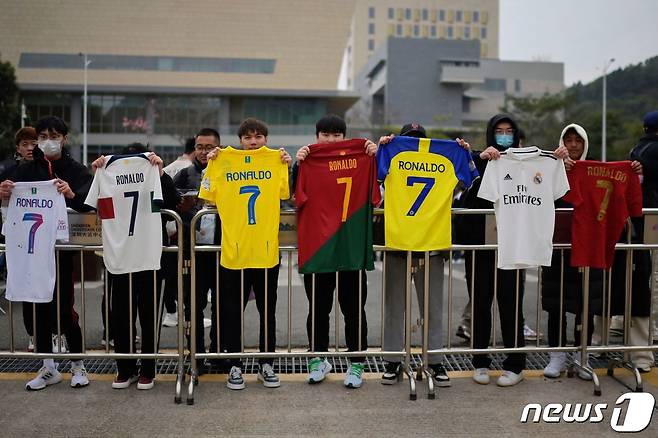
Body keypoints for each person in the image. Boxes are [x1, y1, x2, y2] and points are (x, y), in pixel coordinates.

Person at [0, 116, 92, 390]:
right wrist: (3, 192)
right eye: (42, 136)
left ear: (64, 138)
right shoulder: (27, 170)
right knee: (35, 309)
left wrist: (72, 194)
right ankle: (48, 367)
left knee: (64, 309)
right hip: (30, 253)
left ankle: (78, 364)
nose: (47, 141)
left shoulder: (75, 170)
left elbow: (89, 201)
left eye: (53, 135)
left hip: (60, 253)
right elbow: (9, 197)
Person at [376, 123, 471, 387]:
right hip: (399, 243)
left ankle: (435, 361)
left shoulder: (445, 155)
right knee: (394, 307)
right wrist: (380, 148)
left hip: (430, 244)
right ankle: (393, 361)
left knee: (432, 307)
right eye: (409, 141)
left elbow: (469, 182)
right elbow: (375, 177)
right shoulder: (391, 153)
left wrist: (465, 152)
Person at [203, 118, 291, 390]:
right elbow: (207, 197)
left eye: (259, 137)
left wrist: (287, 164)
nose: (253, 142)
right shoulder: (222, 160)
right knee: (231, 312)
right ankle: (234, 365)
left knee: (268, 311)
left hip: (265, 252)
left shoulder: (277, 161)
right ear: (240, 140)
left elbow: (285, 192)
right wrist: (211, 163)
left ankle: (267, 363)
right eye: (248, 137)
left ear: (266, 139)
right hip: (234, 250)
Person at [294, 114, 377, 389]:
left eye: (336, 135)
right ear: (316, 136)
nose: (330, 140)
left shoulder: (364, 155)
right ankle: (318, 358)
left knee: (354, 309)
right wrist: (297, 164)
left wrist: (377, 157)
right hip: (320, 248)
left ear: (345, 136)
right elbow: (294, 196)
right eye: (325, 135)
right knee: (318, 308)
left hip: (350, 246)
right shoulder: (308, 161)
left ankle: (356, 362)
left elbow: (379, 193)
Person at [90, 143, 180, 389]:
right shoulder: (106, 172)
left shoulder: (154, 173)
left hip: (149, 256)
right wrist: (97, 172)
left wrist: (160, 172)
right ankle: (124, 368)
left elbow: (173, 200)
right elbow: (94, 206)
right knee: (121, 316)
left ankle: (148, 369)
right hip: (120, 256)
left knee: (149, 316)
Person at [542, 123, 602, 379]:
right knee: (555, 303)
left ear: (585, 144)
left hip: (586, 245)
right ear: (561, 143)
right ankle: (556, 355)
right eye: (569, 140)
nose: (573, 145)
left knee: (584, 304)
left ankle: (582, 355)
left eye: (578, 140)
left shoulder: (595, 171)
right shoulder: (550, 168)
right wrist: (557, 169)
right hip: (556, 245)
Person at [173, 128, 221, 370]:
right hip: (193, 251)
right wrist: (182, 207)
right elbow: (167, 201)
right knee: (193, 304)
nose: (203, 152)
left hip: (222, 250)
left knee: (223, 305)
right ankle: (196, 355)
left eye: (209, 147)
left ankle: (219, 354)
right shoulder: (184, 175)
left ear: (219, 147)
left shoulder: (227, 172)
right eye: (200, 147)